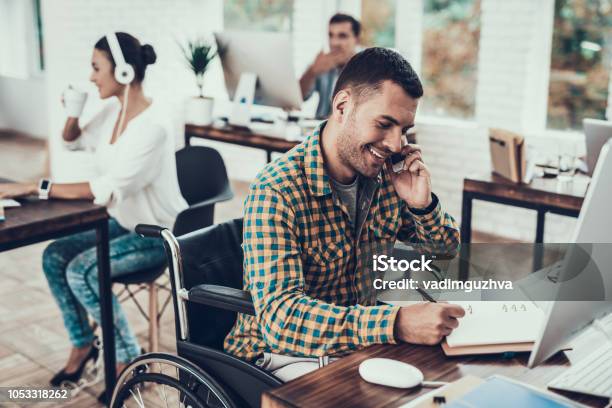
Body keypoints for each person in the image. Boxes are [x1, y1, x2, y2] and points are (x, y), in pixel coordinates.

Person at [225, 47, 465, 382]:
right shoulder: (277, 189)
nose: (396, 144)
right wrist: (395, 323)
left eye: (405, 129)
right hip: (278, 356)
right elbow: (283, 320)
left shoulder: (386, 178)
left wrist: (421, 206)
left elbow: (445, 254)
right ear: (342, 107)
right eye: (385, 124)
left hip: (352, 347)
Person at [0, 32, 187, 393]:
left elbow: (102, 191)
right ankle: (84, 343)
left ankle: (128, 360)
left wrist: (30, 187)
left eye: (96, 67)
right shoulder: (112, 112)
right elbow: (72, 140)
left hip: (153, 235)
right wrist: (74, 109)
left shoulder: (152, 129)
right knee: (54, 256)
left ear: (125, 74)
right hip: (121, 223)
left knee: (81, 271)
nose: (90, 76)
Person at [299, 13, 361, 119]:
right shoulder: (323, 64)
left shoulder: (366, 68)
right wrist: (312, 71)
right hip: (320, 127)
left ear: (356, 39)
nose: (334, 42)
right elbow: (299, 98)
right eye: (331, 35)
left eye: (342, 36)